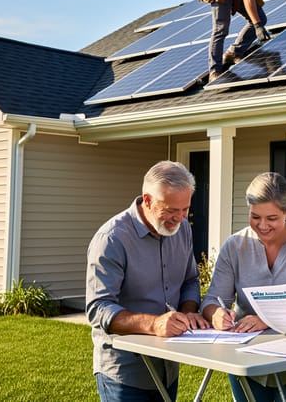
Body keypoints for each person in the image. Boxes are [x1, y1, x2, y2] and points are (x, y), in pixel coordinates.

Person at [200, 172, 286, 402]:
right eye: (255, 217)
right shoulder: (234, 245)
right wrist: (217, 314)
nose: (262, 226)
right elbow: (212, 300)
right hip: (246, 358)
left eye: (271, 218)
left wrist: (266, 319)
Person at [86, 160, 210, 402]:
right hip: (124, 373)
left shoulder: (182, 229)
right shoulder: (111, 239)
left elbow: (190, 281)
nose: (180, 218)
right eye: (172, 210)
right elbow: (98, 309)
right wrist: (154, 325)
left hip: (168, 367)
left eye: (185, 209)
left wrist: (189, 311)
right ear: (148, 200)